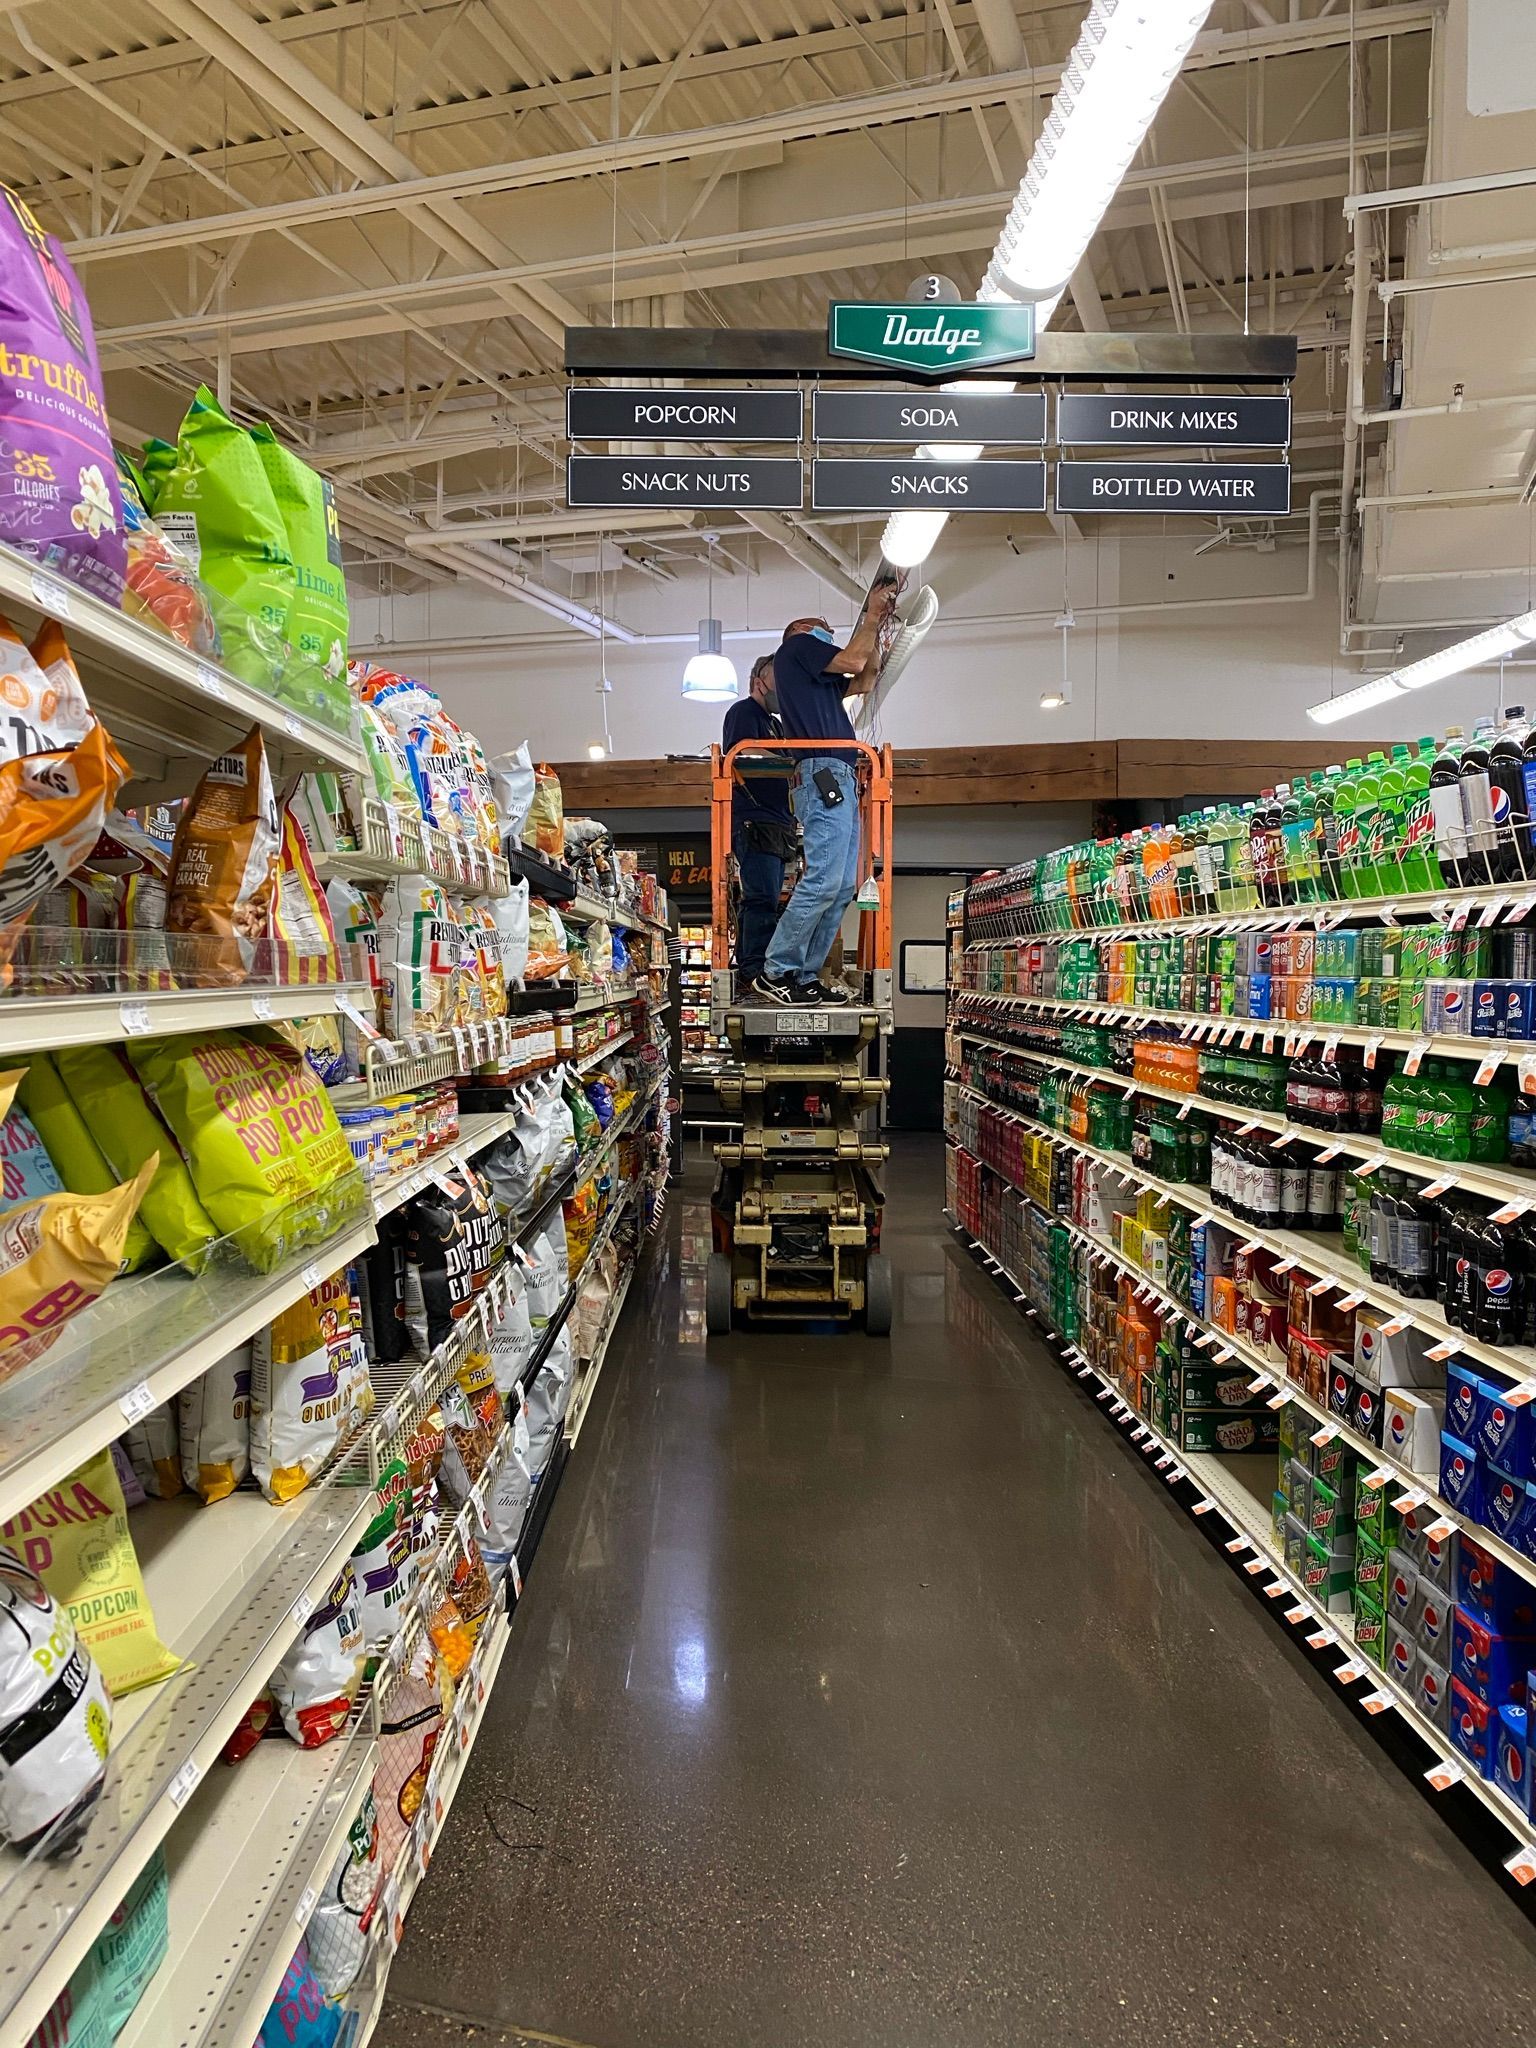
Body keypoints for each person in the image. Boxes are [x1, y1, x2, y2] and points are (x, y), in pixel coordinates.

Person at [753, 591, 895, 1007]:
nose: (829, 632)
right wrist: (870, 616)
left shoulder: (815, 679)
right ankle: (776, 970)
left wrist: (880, 637)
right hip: (824, 774)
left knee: (842, 886)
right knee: (824, 881)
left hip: (837, 775)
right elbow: (853, 660)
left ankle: (804, 974)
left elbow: (864, 678)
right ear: (799, 630)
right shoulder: (797, 647)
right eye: (823, 627)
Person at [721, 654, 795, 989]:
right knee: (760, 899)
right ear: (757, 679)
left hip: (776, 822)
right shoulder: (743, 712)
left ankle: (762, 966)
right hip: (755, 818)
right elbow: (740, 751)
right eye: (775, 678)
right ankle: (753, 971)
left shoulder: (776, 725)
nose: (781, 687)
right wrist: (788, 763)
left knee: (768, 899)